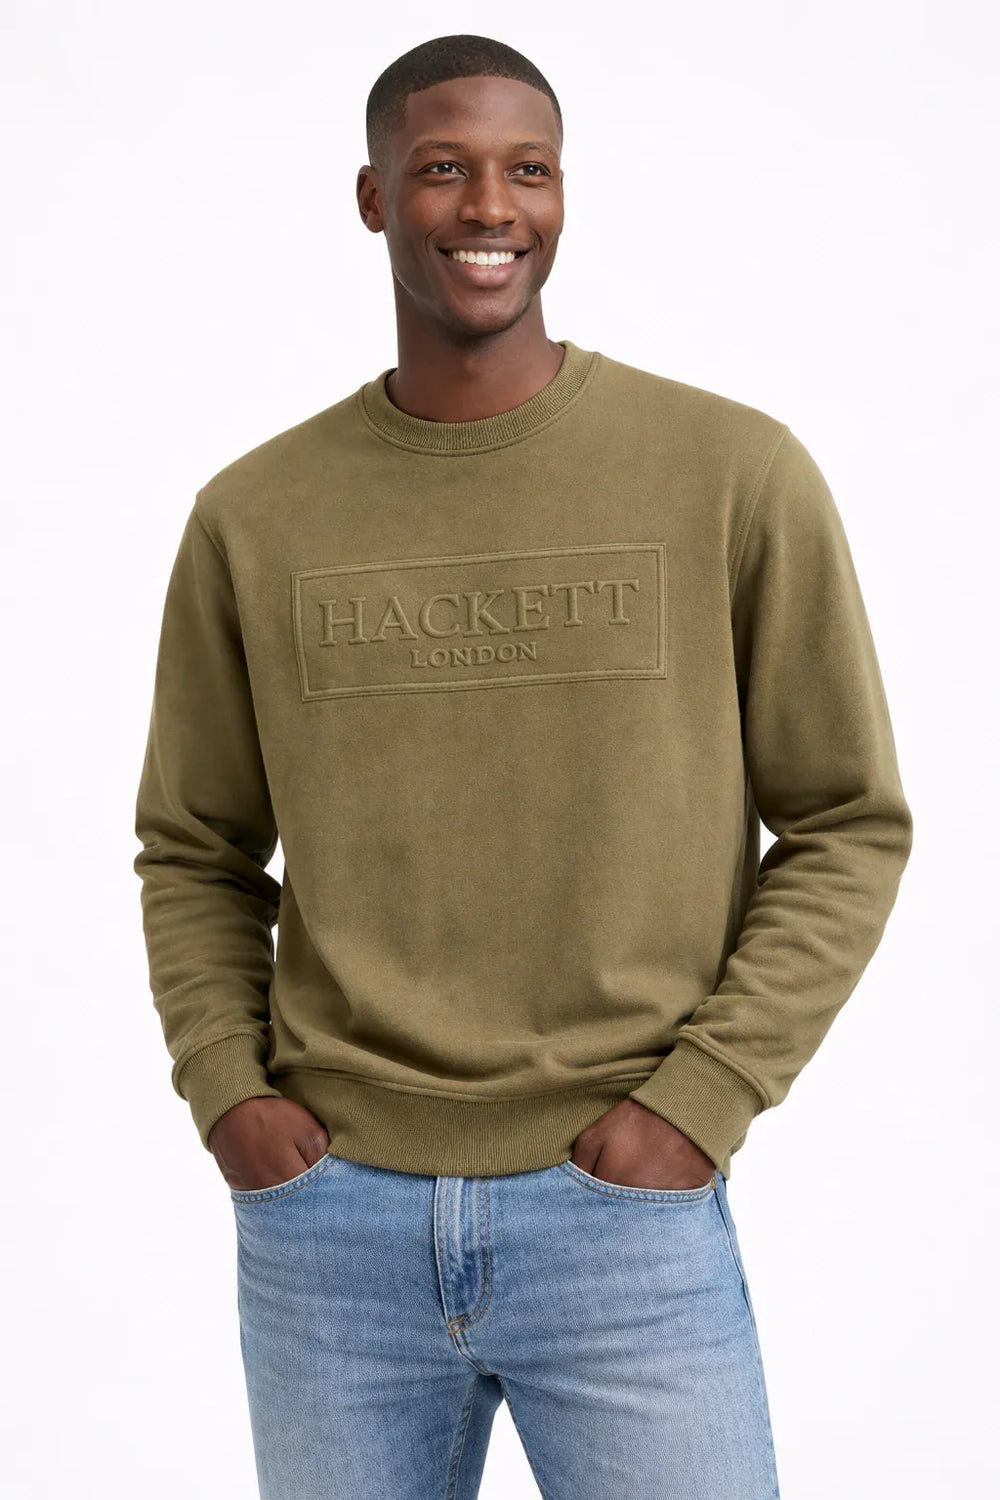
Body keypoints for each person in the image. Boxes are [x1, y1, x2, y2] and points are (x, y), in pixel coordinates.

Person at [132, 32, 913, 1500]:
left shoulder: (732, 474)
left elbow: (848, 820)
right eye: (444, 167)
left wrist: (703, 1100)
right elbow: (194, 845)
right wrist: (229, 1092)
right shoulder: (255, 515)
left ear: (562, 193)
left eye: (528, 169)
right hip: (330, 1230)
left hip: (625, 1216)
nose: (490, 205)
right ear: (374, 198)